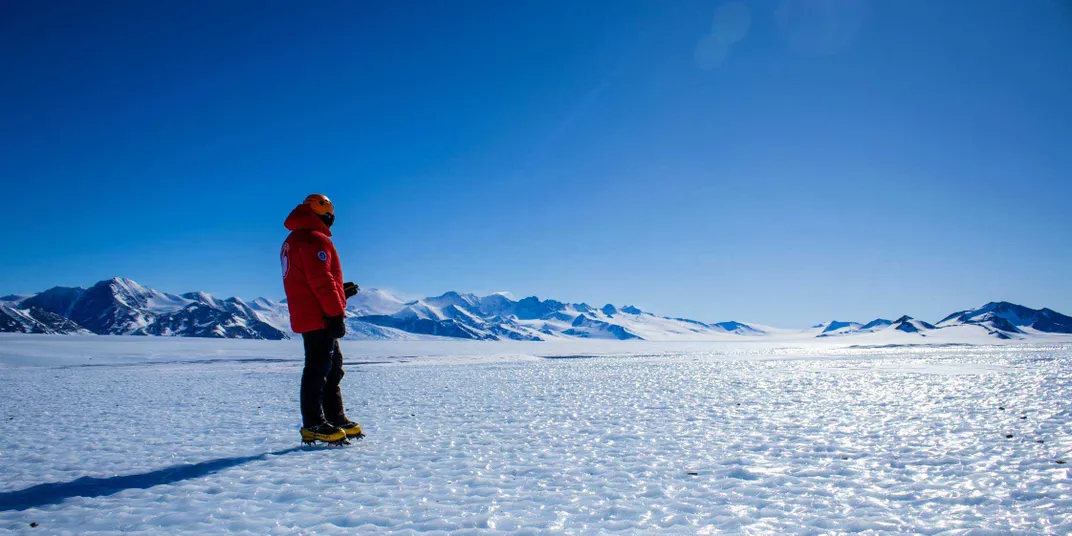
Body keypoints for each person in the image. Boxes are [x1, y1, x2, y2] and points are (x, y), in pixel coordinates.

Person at [281, 193, 362, 443]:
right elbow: (321, 280)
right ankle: (314, 424)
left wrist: (340, 292)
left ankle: (335, 418)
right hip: (320, 316)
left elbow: (309, 280)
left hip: (314, 312)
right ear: (325, 215)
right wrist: (335, 312)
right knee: (318, 369)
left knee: (332, 367)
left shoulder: (295, 240)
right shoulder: (313, 239)